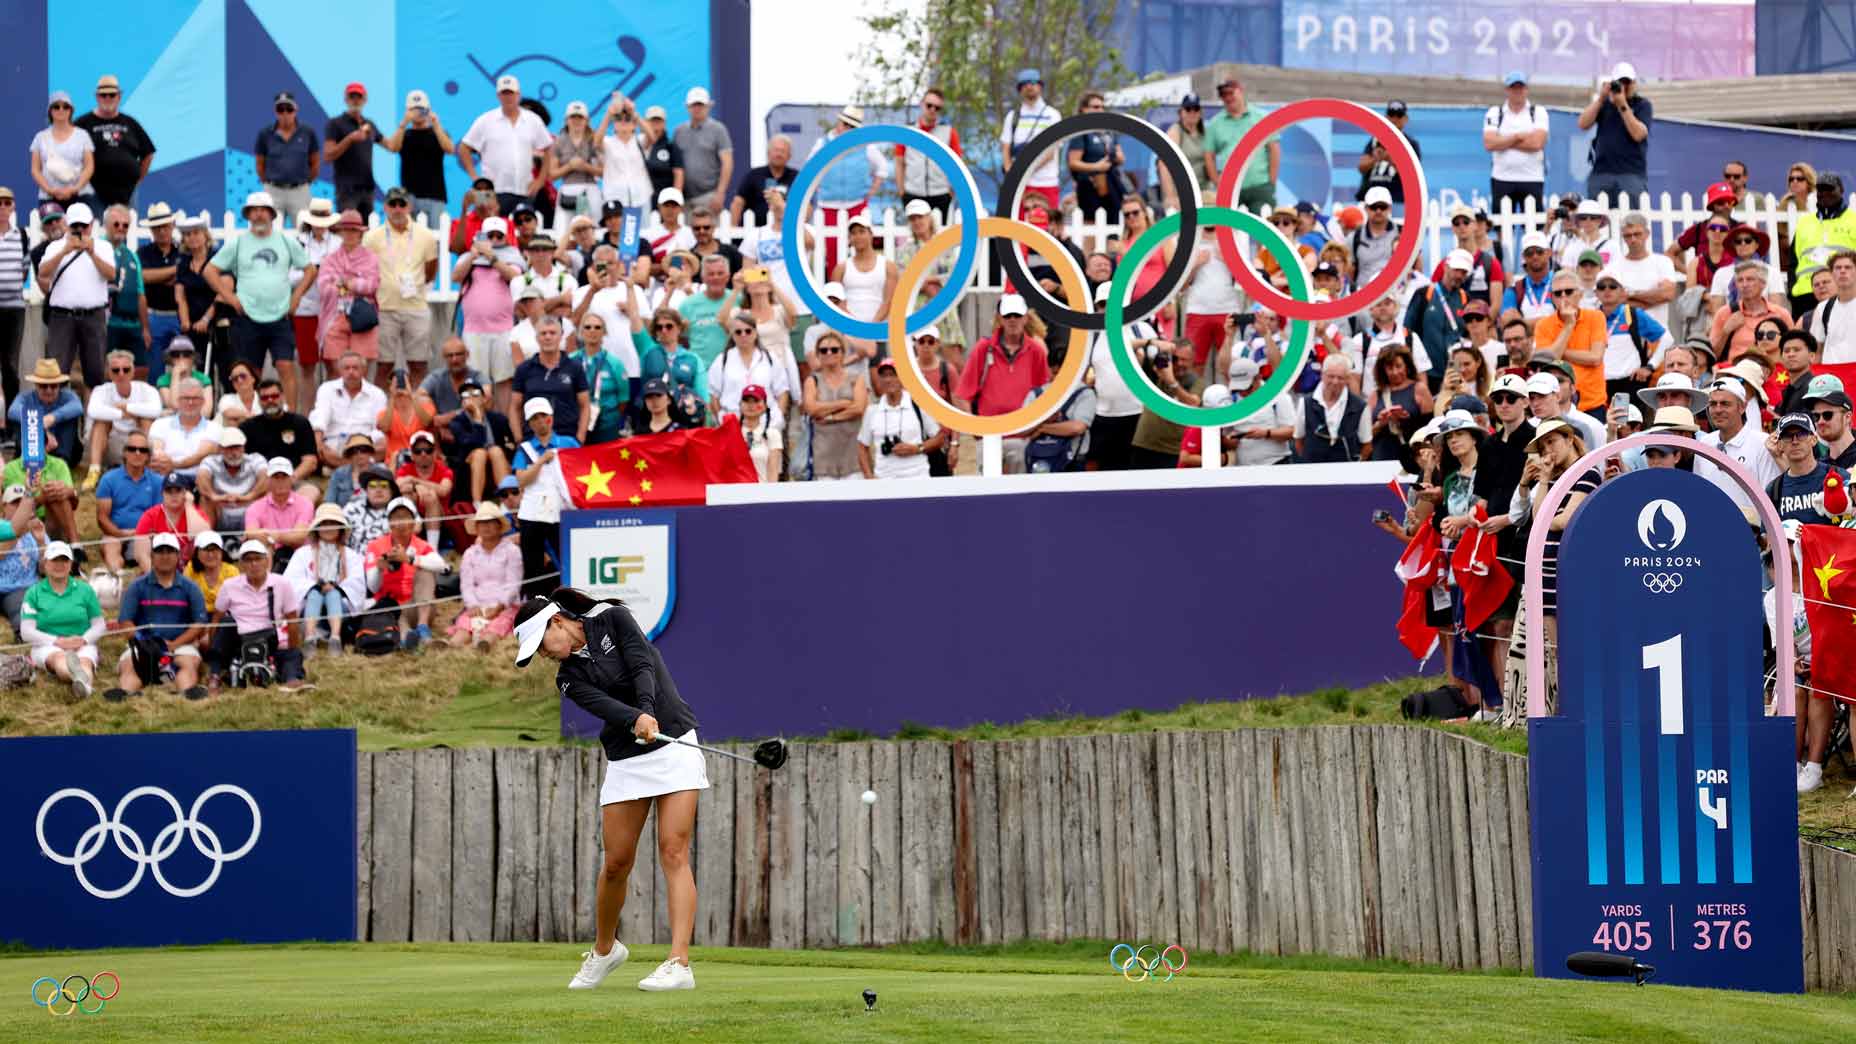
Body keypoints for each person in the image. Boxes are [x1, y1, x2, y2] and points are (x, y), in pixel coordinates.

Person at [513, 586, 708, 992]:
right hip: (627, 758)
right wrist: (635, 718)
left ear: (557, 622)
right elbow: (604, 707)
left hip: (674, 744)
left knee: (674, 849)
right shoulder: (567, 678)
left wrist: (649, 712)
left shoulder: (612, 619)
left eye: (542, 646)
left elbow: (643, 666)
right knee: (617, 862)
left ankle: (679, 963)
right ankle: (605, 951)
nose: (544, 656)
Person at [207, 192, 313, 407]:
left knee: (285, 366)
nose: (258, 215)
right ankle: (252, 415)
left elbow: (310, 270)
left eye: (263, 210)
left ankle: (291, 415)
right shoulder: (238, 243)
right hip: (248, 318)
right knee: (251, 371)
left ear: (272, 214)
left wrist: (296, 297)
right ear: (247, 215)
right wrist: (231, 298)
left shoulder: (285, 241)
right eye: (253, 211)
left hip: (280, 316)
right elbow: (210, 271)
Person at [106, 532, 207, 702]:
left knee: (188, 663)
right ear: (152, 555)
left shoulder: (191, 587)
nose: (165, 556)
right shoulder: (137, 586)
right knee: (130, 665)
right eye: (160, 551)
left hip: (180, 644)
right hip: (144, 644)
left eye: (170, 551)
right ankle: (125, 692)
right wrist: (141, 641)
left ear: (178, 555)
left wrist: (174, 644)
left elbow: (199, 624)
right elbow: (126, 621)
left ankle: (188, 691)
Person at [956, 296, 1052, 473]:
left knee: (1020, 491)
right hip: (988, 436)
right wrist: (976, 428)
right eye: (1008, 316)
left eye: (1017, 315)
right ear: (999, 318)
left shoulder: (1036, 351)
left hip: (1021, 436)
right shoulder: (983, 348)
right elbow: (963, 394)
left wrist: (1033, 429)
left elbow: (1043, 395)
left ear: (1025, 318)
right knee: (987, 491)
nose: (1012, 320)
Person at [365, 186, 440, 388]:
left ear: (409, 207)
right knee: (383, 366)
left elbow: (431, 269)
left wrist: (416, 285)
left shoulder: (425, 236)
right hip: (384, 309)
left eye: (401, 204)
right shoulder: (373, 237)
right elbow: (366, 269)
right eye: (392, 204)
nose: (397, 209)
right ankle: (380, 413)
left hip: (416, 308)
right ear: (386, 208)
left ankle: (419, 413)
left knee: (418, 364)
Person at [38, 201, 115, 391]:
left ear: (91, 225)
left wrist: (91, 252)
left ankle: (92, 419)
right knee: (57, 372)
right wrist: (65, 250)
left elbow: (111, 274)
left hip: (94, 315)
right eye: (75, 226)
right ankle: (60, 418)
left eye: (84, 226)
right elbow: (43, 273)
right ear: (67, 226)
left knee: (95, 373)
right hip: (62, 316)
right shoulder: (55, 247)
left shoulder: (103, 247)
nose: (80, 230)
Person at [212, 539, 307, 691]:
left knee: (293, 654)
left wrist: (292, 648)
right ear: (241, 564)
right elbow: (216, 619)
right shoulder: (230, 585)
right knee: (226, 623)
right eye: (248, 560)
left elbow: (292, 619)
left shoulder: (282, 583)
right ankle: (215, 676)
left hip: (270, 637)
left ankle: (292, 680)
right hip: (239, 639)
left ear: (267, 561)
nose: (253, 564)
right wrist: (214, 647)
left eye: (258, 559)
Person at [453, 215, 523, 415]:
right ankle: (476, 422)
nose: (493, 239)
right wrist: (474, 255)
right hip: (474, 330)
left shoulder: (513, 255)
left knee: (504, 381)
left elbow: (515, 277)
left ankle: (503, 424)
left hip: (503, 330)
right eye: (489, 235)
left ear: (505, 237)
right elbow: (456, 276)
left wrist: (492, 257)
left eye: (498, 236)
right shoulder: (470, 256)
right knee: (476, 383)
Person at [459, 75, 554, 217]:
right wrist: (476, 179)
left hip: (524, 190)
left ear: (518, 95)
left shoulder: (532, 120)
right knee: (491, 232)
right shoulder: (486, 120)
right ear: (498, 96)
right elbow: (464, 147)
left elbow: (548, 147)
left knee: (522, 233)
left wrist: (540, 181)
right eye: (504, 93)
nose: (508, 97)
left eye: (511, 93)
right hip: (491, 193)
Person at [513, 398, 578, 596]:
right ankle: (536, 606)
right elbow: (521, 480)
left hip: (562, 511)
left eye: (543, 416)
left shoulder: (569, 443)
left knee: (567, 559)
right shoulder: (525, 449)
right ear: (530, 423)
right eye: (535, 418)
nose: (540, 421)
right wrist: (541, 461)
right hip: (532, 513)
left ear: (551, 418)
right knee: (533, 565)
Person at [21, 540, 102, 697]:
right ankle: (83, 683)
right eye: (54, 560)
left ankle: (82, 685)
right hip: (47, 645)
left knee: (84, 661)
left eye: (64, 560)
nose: (59, 564)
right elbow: (26, 631)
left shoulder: (85, 590)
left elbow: (99, 625)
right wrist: (57, 641)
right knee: (59, 659)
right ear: (45, 564)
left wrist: (83, 640)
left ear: (71, 564)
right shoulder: (33, 593)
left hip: (81, 643)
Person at [365, 496, 449, 649]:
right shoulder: (375, 546)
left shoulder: (421, 545)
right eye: (397, 518)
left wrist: (409, 559)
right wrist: (378, 569)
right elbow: (373, 588)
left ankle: (423, 629)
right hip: (392, 607)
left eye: (406, 517)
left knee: (426, 572)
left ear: (413, 521)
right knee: (395, 614)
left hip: (418, 605)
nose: (401, 523)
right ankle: (409, 640)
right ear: (389, 522)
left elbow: (442, 566)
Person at [284, 502, 367, 654]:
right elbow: (291, 581)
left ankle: (335, 637)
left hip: (341, 607)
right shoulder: (302, 553)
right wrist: (314, 586)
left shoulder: (351, 555)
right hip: (308, 606)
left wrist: (336, 588)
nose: (328, 528)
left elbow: (357, 583)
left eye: (333, 524)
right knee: (315, 593)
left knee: (333, 594)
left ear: (341, 528)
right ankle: (310, 637)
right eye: (324, 524)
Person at [1696, 376, 1780, 514]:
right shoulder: (1704, 444)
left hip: (1752, 533)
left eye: (1725, 404)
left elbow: (1770, 499)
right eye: (1713, 404)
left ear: (1742, 407)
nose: (1717, 410)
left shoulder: (1762, 444)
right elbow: (1700, 495)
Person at [444, 503, 520, 648]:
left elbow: (513, 583)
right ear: (477, 528)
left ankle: (484, 644)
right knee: (464, 625)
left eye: (491, 522)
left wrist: (500, 606)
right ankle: (451, 644)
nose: (486, 526)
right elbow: (466, 585)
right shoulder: (470, 553)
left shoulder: (512, 551)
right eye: (482, 523)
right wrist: (472, 605)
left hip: (506, 605)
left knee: (498, 625)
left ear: (499, 526)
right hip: (478, 602)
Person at [73, 75, 154, 208]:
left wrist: (137, 179)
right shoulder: (82, 124)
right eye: (103, 95)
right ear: (97, 97)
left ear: (119, 97)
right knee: (95, 229)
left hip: (127, 194)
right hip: (94, 193)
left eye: (112, 95)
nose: (108, 98)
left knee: (126, 228)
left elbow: (148, 153)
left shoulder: (131, 123)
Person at [1577, 62, 1652, 202]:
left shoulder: (1642, 105)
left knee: (1631, 220)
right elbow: (1582, 124)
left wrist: (1622, 105)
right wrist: (1601, 98)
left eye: (1627, 82)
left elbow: (1638, 134)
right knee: (1599, 221)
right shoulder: (1604, 104)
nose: (1623, 86)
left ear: (1634, 83)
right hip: (1601, 173)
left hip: (1631, 174)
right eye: (1619, 82)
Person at [857, 359, 943, 481]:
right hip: (884, 480)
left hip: (917, 478)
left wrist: (917, 448)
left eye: (893, 375)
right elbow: (862, 447)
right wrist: (869, 478)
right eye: (884, 376)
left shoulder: (918, 405)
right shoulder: (872, 411)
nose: (888, 380)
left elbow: (939, 438)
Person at [1788, 172, 1856, 320]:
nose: (1825, 194)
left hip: (1841, 293)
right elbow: (1793, 262)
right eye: (1821, 190)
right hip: (1804, 296)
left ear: (1841, 191)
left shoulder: (1853, 220)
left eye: (1830, 189)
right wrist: (1793, 291)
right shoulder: (1804, 223)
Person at [94, 429, 164, 572]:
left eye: (142, 450)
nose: (137, 453)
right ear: (124, 453)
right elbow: (102, 518)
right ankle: (117, 578)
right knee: (111, 547)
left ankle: (153, 581)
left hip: (145, 535)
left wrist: (140, 532)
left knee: (145, 549)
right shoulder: (109, 479)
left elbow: (159, 516)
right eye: (132, 449)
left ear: (148, 456)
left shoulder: (157, 481)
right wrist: (121, 534)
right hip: (115, 534)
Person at [380, 90, 453, 228]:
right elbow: (392, 147)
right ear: (408, 111)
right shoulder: (405, 135)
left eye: (421, 109)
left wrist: (436, 124)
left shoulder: (438, 133)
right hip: (409, 197)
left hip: (435, 195)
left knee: (434, 242)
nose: (418, 113)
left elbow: (449, 149)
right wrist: (403, 123)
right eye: (414, 109)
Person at [800, 331, 866, 480]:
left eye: (834, 349)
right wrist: (842, 403)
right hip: (823, 460)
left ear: (843, 353)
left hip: (853, 458)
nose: (829, 353)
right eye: (823, 350)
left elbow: (858, 408)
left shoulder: (856, 379)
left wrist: (830, 417)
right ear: (818, 354)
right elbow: (811, 409)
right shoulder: (812, 381)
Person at [1403, 250, 1474, 389]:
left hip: (1458, 373)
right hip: (1428, 373)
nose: (1459, 275)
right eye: (1456, 270)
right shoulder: (1424, 294)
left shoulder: (1465, 298)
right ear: (1445, 267)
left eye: (1464, 272)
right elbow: (1408, 331)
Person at [1204, 77, 1277, 211]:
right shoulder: (1215, 124)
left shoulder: (1261, 117)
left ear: (1240, 91)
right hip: (1229, 189)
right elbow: (1208, 155)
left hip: (1259, 186)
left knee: (1262, 227)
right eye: (1223, 94)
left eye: (1230, 93)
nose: (1228, 97)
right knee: (1227, 228)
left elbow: (1274, 149)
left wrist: (1271, 181)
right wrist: (1217, 182)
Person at [1483, 72, 1548, 216]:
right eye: (1513, 87)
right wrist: (1518, 137)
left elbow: (1537, 143)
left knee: (1534, 229)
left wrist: (1503, 141)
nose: (1517, 91)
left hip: (1532, 177)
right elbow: (1489, 143)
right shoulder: (1495, 112)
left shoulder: (1538, 112)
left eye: (1521, 87)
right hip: (1502, 178)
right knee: (1502, 227)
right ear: (1507, 90)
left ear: (1526, 89)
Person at [1768, 412, 1848, 525]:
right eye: (1787, 436)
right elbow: (1767, 535)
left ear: (1814, 439)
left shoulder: (1839, 477)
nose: (1795, 441)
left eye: (1801, 434)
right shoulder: (1774, 489)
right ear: (1780, 444)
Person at [311, 352, 390, 468]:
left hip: (365, 444)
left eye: (355, 368)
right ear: (340, 370)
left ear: (364, 370)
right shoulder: (326, 389)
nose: (351, 372)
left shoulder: (377, 393)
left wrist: (375, 443)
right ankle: (356, 467)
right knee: (318, 444)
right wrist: (318, 442)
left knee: (384, 444)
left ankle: (344, 467)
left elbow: (380, 427)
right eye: (346, 368)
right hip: (335, 444)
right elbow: (320, 417)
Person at [894, 90, 962, 218]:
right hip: (913, 193)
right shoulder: (907, 132)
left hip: (940, 194)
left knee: (941, 235)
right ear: (921, 104)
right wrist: (901, 191)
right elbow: (899, 163)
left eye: (937, 108)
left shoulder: (949, 132)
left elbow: (956, 163)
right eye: (929, 105)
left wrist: (951, 190)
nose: (932, 110)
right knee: (914, 236)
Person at [1709, 260, 1792, 363]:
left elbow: (1794, 349)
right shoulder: (1725, 313)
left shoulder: (1781, 314)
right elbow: (1711, 357)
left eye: (1750, 279)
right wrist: (1726, 331)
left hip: (1773, 373)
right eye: (1740, 280)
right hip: (1735, 373)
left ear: (1763, 284)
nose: (1744, 284)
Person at [254, 92, 319, 221]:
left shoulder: (307, 132)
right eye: (280, 109)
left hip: (300, 191)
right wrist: (269, 183)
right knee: (271, 233)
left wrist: (304, 182)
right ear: (275, 111)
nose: (285, 114)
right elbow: (260, 164)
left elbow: (315, 162)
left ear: (296, 110)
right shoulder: (265, 134)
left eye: (289, 109)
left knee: (304, 231)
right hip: (273, 191)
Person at [1299, 354, 1372, 462]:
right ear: (1322, 375)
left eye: (1340, 378)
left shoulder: (1360, 406)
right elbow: (1299, 440)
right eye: (1331, 376)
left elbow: (1367, 445)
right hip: (1314, 472)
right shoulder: (1305, 402)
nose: (1335, 382)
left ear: (1347, 379)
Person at [1224, 357, 1295, 466]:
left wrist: (1265, 433)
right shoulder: (1230, 399)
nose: (1243, 393)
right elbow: (1225, 434)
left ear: (1258, 378)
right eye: (1238, 390)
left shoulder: (1277, 396)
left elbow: (1292, 431)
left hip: (1276, 464)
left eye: (1247, 388)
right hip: (1243, 469)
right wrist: (1229, 441)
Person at [323, 83, 382, 214]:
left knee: (368, 232)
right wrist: (349, 139)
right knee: (347, 230)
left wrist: (403, 125)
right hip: (347, 191)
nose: (355, 100)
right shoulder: (335, 124)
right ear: (345, 99)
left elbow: (391, 146)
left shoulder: (369, 124)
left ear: (365, 100)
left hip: (367, 190)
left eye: (359, 97)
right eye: (352, 96)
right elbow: (327, 156)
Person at [1067, 92, 1126, 222]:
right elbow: (1073, 162)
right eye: (1095, 107)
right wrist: (1096, 166)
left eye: (1101, 107)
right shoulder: (1081, 132)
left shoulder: (1108, 131)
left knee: (1114, 223)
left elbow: (1121, 157)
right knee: (1091, 223)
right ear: (1083, 109)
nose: (1100, 110)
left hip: (1111, 183)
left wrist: (1114, 156)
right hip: (1089, 185)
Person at [31, 91, 96, 208]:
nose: (61, 110)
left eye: (65, 106)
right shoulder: (40, 137)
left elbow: (89, 166)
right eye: (56, 106)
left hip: (81, 195)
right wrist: (50, 190)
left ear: (71, 110)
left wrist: (75, 188)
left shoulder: (82, 135)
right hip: (49, 197)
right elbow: (35, 169)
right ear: (50, 111)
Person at [1366, 346, 1432, 461]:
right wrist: (1381, 423)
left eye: (1398, 366)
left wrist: (1406, 419)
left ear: (1407, 366)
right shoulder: (1375, 395)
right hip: (1382, 456)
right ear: (1383, 370)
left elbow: (1430, 429)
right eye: (1390, 368)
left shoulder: (1419, 389)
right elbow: (1365, 435)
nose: (1395, 372)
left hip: (1412, 457)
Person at [675, 86, 733, 216]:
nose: (697, 108)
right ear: (687, 107)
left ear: (708, 106)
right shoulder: (679, 131)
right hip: (684, 199)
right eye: (694, 105)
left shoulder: (718, 130)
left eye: (700, 105)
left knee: (707, 233)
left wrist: (720, 193)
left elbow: (727, 163)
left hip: (709, 196)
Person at [147, 377, 219, 479]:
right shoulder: (160, 424)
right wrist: (163, 461)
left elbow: (200, 456)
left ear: (203, 401)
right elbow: (157, 451)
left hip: (198, 481)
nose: (190, 402)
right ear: (178, 401)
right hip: (166, 478)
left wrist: (174, 465)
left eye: (195, 398)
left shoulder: (214, 427)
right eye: (186, 398)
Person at [196, 426, 265, 532]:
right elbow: (201, 478)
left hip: (249, 508)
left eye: (237, 447)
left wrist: (249, 497)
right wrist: (214, 496)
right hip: (220, 509)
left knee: (265, 496)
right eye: (229, 448)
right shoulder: (211, 461)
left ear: (243, 447)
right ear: (220, 449)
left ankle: (256, 537)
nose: (233, 452)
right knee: (205, 499)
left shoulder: (255, 459)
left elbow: (266, 478)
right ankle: (208, 539)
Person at [1357, 100, 1418, 206]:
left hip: (1397, 199)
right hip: (1370, 197)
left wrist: (1391, 158)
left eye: (1398, 115)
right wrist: (1376, 158)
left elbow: (1412, 175)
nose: (1394, 119)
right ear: (1386, 117)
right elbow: (1361, 167)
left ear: (1405, 119)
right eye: (1391, 115)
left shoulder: (1410, 144)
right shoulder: (1374, 141)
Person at [0, 487, 42, 638]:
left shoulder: (37, 528)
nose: (20, 508)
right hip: (8, 589)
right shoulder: (3, 527)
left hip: (32, 586)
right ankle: (26, 636)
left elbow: (45, 569)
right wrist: (22, 529)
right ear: (3, 505)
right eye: (14, 503)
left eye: (22, 503)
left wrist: (41, 540)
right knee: (22, 606)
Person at [1809, 250, 1856, 363]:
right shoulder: (1823, 308)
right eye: (1838, 268)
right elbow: (1817, 351)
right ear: (1832, 273)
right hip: (1832, 376)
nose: (1843, 271)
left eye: (1848, 267)